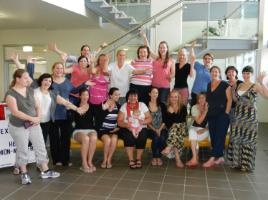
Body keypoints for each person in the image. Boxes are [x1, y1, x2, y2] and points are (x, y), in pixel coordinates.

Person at [5, 69, 60, 185]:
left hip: (34, 123)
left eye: (28, 78)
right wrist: (32, 119)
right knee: (23, 149)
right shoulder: (10, 94)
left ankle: (45, 170)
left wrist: (38, 117)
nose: (28, 80)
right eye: (25, 78)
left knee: (40, 146)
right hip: (19, 126)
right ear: (17, 79)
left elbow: (37, 105)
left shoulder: (30, 90)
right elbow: (15, 112)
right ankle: (24, 174)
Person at [51, 62, 91, 166]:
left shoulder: (67, 81)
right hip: (52, 113)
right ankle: (56, 160)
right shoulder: (49, 81)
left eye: (61, 68)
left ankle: (65, 160)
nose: (59, 70)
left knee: (65, 137)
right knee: (54, 138)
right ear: (53, 69)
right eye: (57, 68)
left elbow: (75, 90)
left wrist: (85, 83)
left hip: (66, 113)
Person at [227, 66, 265, 172]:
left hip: (250, 118)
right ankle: (236, 163)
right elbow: (235, 99)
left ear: (251, 74)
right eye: (244, 73)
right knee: (237, 138)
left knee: (248, 140)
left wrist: (262, 82)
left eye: (248, 73)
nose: (246, 75)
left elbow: (266, 95)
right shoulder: (239, 85)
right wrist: (233, 89)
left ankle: (245, 165)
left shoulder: (255, 85)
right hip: (238, 116)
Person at [203, 66, 232, 168]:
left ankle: (212, 158)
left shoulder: (225, 84)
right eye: (212, 72)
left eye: (216, 71)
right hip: (211, 114)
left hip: (222, 115)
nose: (214, 73)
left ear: (219, 73)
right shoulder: (208, 84)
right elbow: (208, 99)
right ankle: (220, 157)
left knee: (220, 136)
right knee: (214, 137)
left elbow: (229, 99)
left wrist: (226, 113)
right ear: (210, 73)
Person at [117, 89, 152, 169]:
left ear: (137, 97)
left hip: (141, 126)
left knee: (142, 135)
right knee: (128, 136)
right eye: (131, 95)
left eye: (135, 95)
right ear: (128, 97)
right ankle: (131, 160)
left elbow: (149, 118)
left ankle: (138, 158)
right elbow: (119, 121)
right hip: (128, 127)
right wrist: (126, 125)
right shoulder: (124, 106)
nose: (133, 97)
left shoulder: (142, 105)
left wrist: (142, 122)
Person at [141, 32, 175, 103]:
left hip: (165, 87)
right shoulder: (156, 58)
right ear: (159, 49)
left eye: (164, 47)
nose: (162, 49)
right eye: (160, 48)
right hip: (154, 86)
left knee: (162, 105)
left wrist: (170, 76)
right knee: (153, 103)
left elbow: (173, 73)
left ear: (167, 49)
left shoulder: (171, 60)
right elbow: (148, 49)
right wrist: (144, 37)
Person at [72, 88, 97, 173]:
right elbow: (71, 119)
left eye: (87, 95)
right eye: (83, 95)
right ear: (80, 96)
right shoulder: (75, 106)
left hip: (90, 130)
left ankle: (90, 161)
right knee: (86, 139)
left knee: (93, 138)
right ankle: (84, 163)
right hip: (78, 131)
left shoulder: (92, 106)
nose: (85, 97)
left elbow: (99, 117)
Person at [161, 90, 188, 168]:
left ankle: (169, 147)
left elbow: (181, 120)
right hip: (173, 131)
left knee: (176, 127)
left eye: (175, 97)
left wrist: (172, 113)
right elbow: (167, 122)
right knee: (175, 135)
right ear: (169, 98)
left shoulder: (183, 107)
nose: (174, 99)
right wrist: (174, 121)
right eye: (172, 97)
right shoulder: (167, 108)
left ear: (179, 97)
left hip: (182, 129)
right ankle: (178, 160)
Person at [98, 87, 121, 169]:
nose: (118, 96)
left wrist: (118, 128)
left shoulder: (119, 106)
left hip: (114, 130)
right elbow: (99, 118)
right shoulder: (104, 104)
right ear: (110, 95)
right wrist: (108, 110)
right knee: (108, 140)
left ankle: (109, 159)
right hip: (103, 130)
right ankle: (104, 160)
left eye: (118, 95)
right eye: (115, 95)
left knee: (114, 140)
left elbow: (121, 120)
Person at [186, 92, 209, 167]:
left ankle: (194, 158)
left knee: (193, 136)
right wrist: (205, 111)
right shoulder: (194, 107)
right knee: (192, 132)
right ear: (198, 100)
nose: (201, 100)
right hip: (194, 128)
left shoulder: (210, 108)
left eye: (203, 98)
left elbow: (213, 123)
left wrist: (205, 129)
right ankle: (195, 158)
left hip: (206, 130)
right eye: (200, 98)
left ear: (206, 99)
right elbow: (199, 121)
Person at [147, 87, 168, 166]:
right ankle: (155, 157)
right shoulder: (146, 105)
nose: (155, 94)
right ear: (149, 94)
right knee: (155, 137)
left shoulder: (162, 104)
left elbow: (165, 119)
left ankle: (158, 157)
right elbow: (146, 120)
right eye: (153, 92)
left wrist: (159, 129)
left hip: (162, 128)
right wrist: (155, 129)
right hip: (150, 128)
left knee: (162, 138)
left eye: (156, 93)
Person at [89, 54, 110, 130]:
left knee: (100, 120)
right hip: (92, 99)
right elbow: (92, 71)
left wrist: (106, 62)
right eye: (101, 60)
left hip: (103, 99)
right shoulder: (96, 68)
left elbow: (106, 71)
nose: (103, 61)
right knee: (91, 120)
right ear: (98, 60)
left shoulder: (108, 69)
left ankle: (98, 135)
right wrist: (92, 62)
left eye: (104, 60)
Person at [189, 41, 212, 107]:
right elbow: (192, 58)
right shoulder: (199, 66)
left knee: (204, 113)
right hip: (195, 93)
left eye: (209, 59)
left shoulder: (214, 71)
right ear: (203, 60)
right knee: (194, 112)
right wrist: (192, 48)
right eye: (205, 59)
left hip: (206, 96)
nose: (207, 60)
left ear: (212, 61)